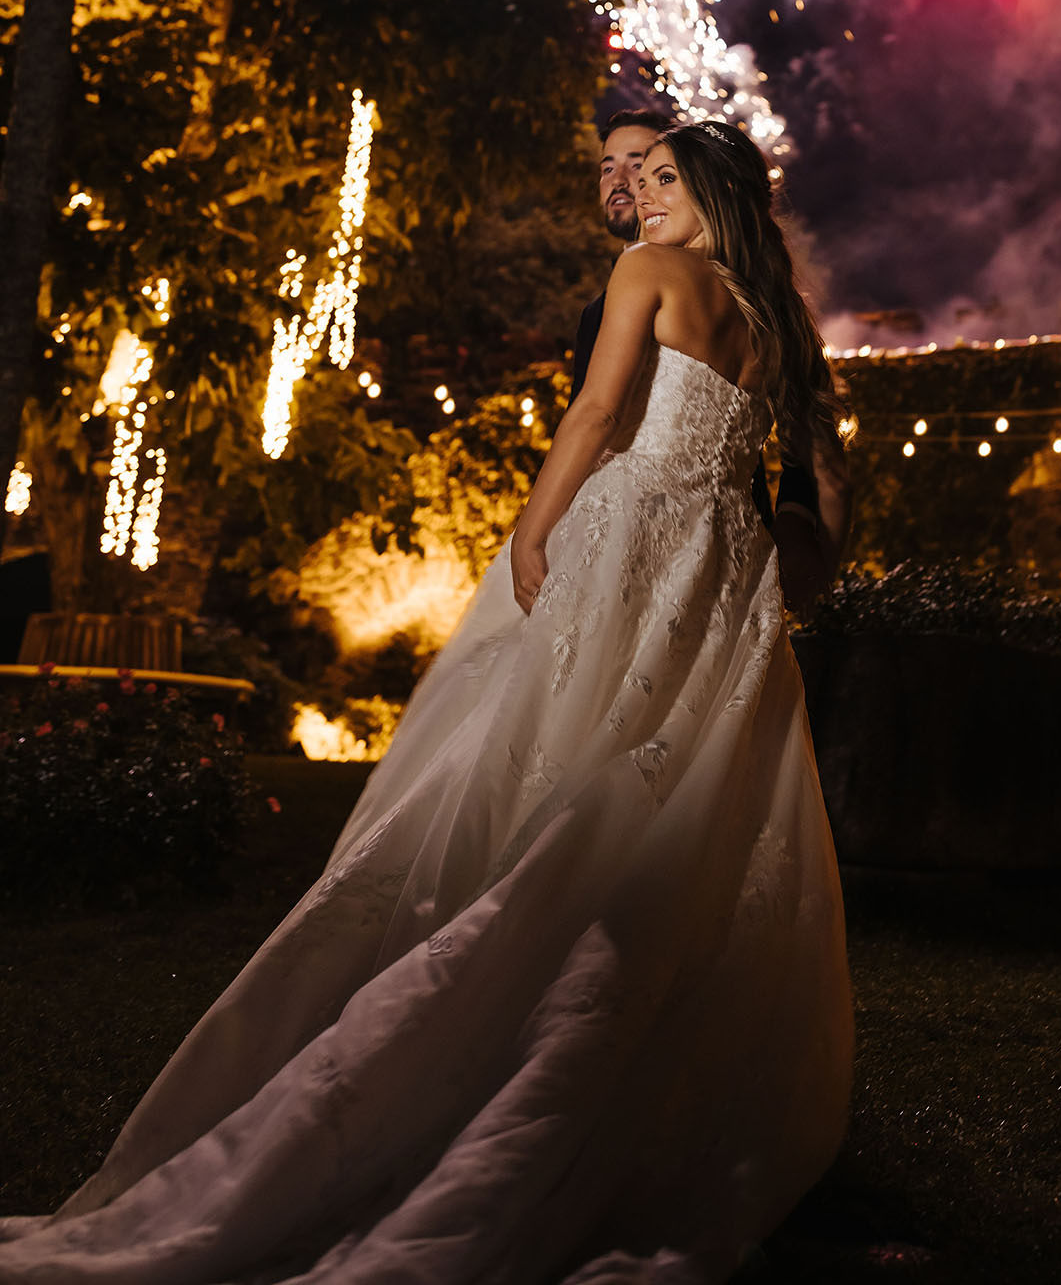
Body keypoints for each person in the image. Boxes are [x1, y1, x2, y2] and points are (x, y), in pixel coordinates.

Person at [0, 120, 854, 1285]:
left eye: (661, 178)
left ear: (712, 194)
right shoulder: (779, 323)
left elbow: (599, 416)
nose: (638, 195)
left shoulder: (647, 273)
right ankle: (603, 1025)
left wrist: (532, 526)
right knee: (679, 782)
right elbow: (828, 481)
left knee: (548, 756)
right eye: (635, 177)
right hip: (723, 564)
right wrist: (788, 569)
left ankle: (493, 973)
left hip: (633, 532)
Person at [582, 110, 836, 613]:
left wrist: (794, 522)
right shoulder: (604, 303)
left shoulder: (759, 305)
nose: (628, 182)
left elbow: (812, 456)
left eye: (647, 166)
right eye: (608, 167)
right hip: (612, 541)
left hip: (712, 552)